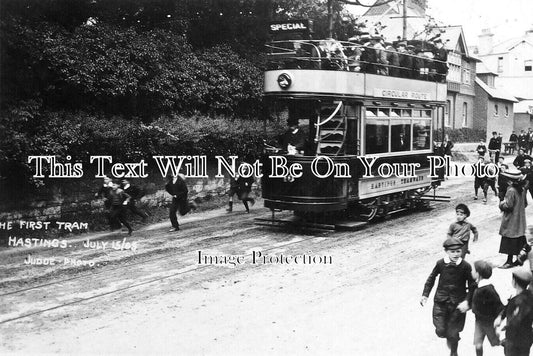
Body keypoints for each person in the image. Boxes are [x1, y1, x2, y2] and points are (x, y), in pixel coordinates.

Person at [421, 237, 476, 356]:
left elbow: (472, 286)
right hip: (441, 301)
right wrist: (425, 295)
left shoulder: (465, 266)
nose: (456, 254)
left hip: (458, 303)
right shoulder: (440, 263)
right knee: (440, 330)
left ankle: (454, 352)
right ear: (446, 252)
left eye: (458, 251)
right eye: (452, 251)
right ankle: (449, 335)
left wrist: (467, 301)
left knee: (454, 332)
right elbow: (431, 278)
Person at [493, 268, 533, 356]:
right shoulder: (526, 296)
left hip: (516, 341)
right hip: (525, 337)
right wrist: (501, 316)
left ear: (514, 282)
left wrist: (503, 327)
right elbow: (508, 307)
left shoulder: (520, 301)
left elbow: (517, 319)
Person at [471, 260, 503, 356]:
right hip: (479, 321)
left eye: (472, 270)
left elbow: (499, 305)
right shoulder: (476, 286)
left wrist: (499, 317)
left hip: (489, 322)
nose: (471, 272)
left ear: (478, 273)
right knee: (478, 343)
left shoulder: (489, 290)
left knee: (495, 342)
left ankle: (510, 347)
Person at [498, 168, 527, 269]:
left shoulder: (511, 190)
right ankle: (519, 259)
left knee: (509, 239)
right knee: (519, 238)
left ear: (509, 180)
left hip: (511, 219)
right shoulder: (522, 189)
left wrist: (501, 204)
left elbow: (508, 206)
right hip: (520, 218)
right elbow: (525, 204)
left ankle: (509, 261)